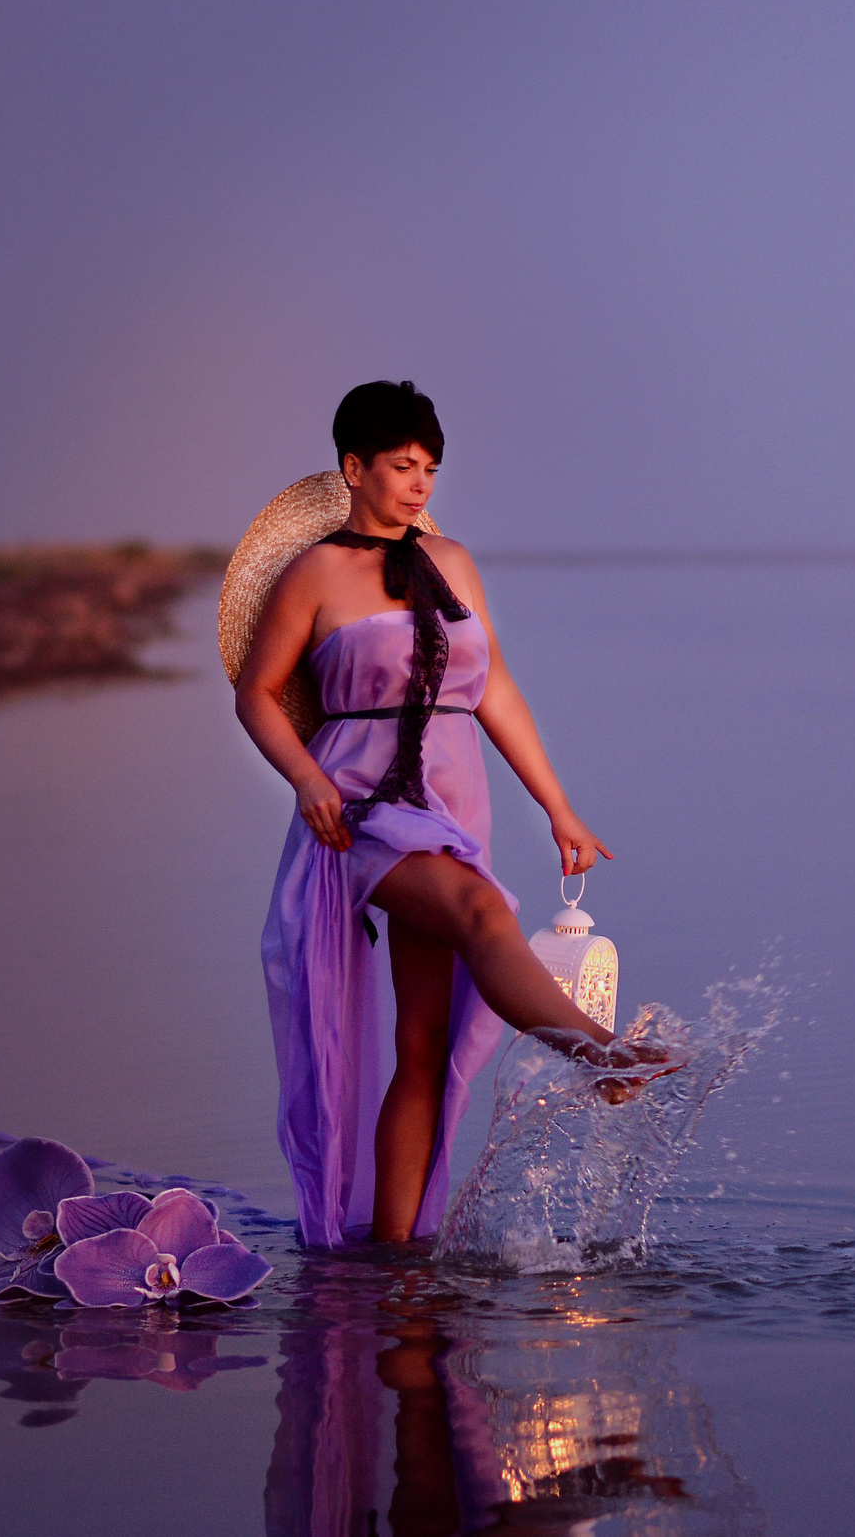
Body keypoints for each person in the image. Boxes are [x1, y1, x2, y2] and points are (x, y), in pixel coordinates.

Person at [237, 380, 654, 1247]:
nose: (421, 482)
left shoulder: (453, 561)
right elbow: (258, 694)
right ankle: (598, 1053)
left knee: (423, 1042)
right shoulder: (314, 572)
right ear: (353, 468)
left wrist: (558, 806)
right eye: (401, 465)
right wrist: (305, 779)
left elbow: (492, 686)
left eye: (431, 466)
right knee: (481, 911)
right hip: (360, 809)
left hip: (457, 800)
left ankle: (398, 1259)